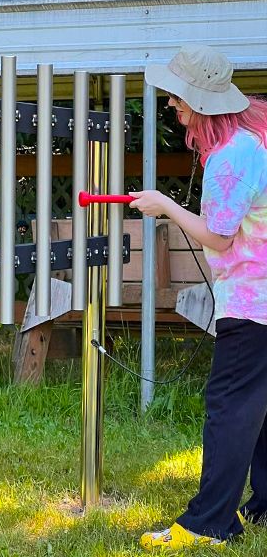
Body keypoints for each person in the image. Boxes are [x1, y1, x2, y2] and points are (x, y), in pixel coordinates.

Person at [132, 45, 267, 550]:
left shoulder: (231, 155)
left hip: (254, 303)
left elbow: (218, 236)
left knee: (230, 406)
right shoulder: (256, 133)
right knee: (259, 405)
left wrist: (165, 205)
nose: (172, 105)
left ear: (203, 103)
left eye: (178, 97)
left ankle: (209, 523)